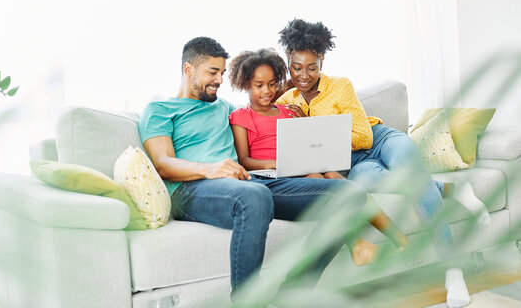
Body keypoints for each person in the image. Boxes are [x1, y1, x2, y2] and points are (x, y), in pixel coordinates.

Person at [275, 19, 486, 308]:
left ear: (322, 61)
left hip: (381, 140)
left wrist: (322, 134)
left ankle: (452, 270)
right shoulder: (287, 102)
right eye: (297, 66)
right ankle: (449, 189)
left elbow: (362, 136)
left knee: (412, 179)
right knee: (362, 188)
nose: (304, 74)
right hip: (354, 166)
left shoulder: (340, 85)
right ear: (288, 62)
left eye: (312, 66)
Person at [137, 36, 369, 296]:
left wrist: (288, 101)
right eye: (212, 72)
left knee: (350, 193)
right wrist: (211, 169)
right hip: (191, 189)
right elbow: (163, 164)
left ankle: (292, 294)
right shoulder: (160, 109)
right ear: (188, 69)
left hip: (245, 183)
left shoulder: (224, 107)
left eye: (222, 73)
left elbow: (261, 104)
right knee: (255, 195)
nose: (219, 80)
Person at [228, 47, 410, 253]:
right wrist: (274, 163)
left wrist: (304, 121)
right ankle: (356, 244)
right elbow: (243, 159)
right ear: (245, 84)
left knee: (335, 177)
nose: (267, 91)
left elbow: (307, 139)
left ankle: (398, 238)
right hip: (273, 173)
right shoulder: (241, 116)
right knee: (319, 178)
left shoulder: (286, 109)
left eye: (271, 84)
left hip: (300, 165)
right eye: (259, 85)